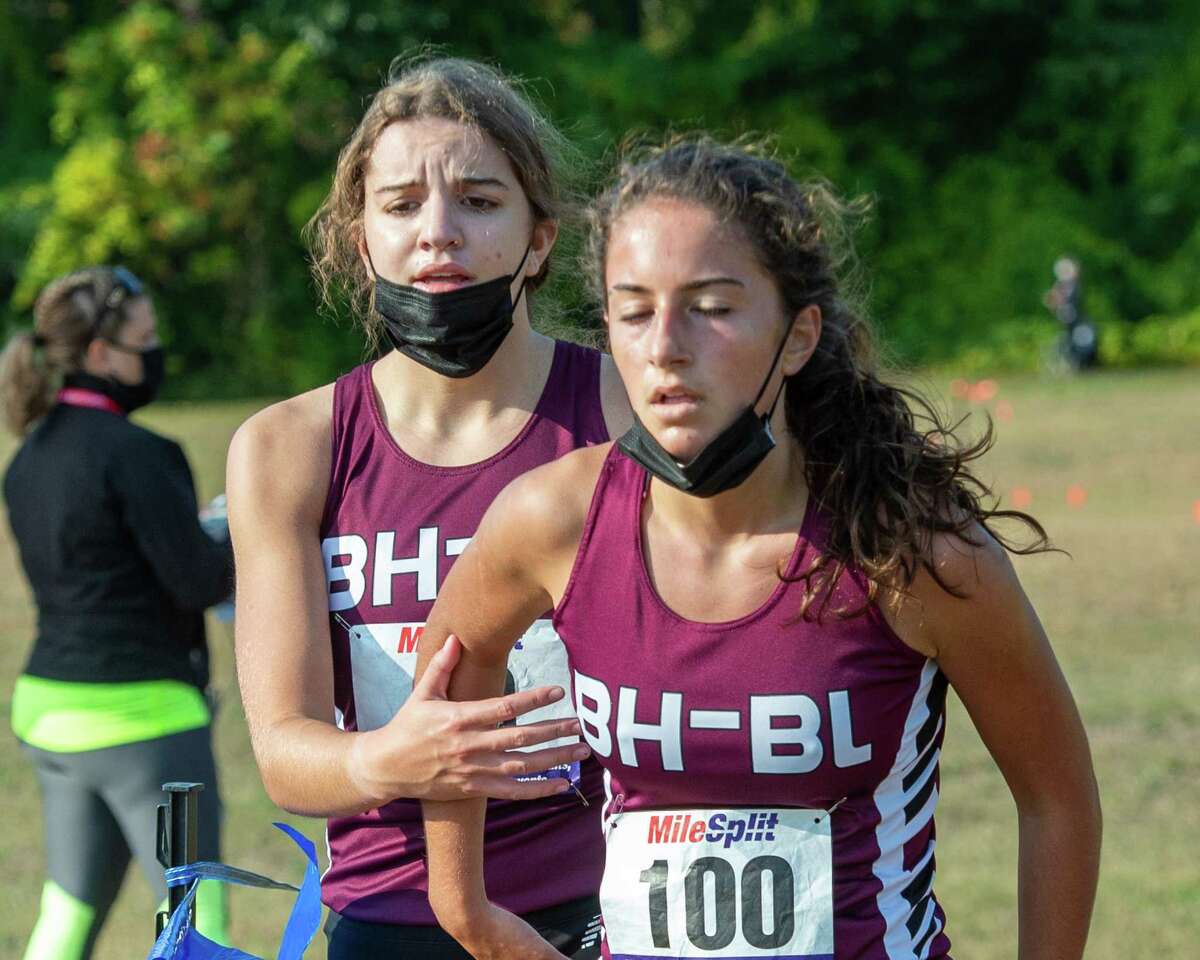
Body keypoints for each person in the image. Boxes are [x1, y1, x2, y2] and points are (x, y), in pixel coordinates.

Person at [415, 139, 1103, 959]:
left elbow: (1057, 799)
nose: (666, 345)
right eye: (634, 310)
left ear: (800, 335)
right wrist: (466, 909)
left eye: (710, 307)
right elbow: (450, 665)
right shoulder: (553, 518)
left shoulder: (908, 553)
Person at [226, 57, 630, 959]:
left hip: (611, 912)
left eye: (481, 202)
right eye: (403, 204)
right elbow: (284, 751)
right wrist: (392, 758)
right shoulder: (288, 448)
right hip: (390, 921)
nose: (438, 234)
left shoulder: (627, 415)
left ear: (539, 238)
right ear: (360, 238)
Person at [1, 266, 233, 960]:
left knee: (70, 901)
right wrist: (237, 536)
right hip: (145, 722)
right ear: (102, 354)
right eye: (146, 339)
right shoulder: (140, 454)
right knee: (197, 909)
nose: (156, 351)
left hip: (49, 711)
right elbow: (196, 582)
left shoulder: (26, 459)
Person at [1043, 256, 1097, 371]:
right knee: (1067, 344)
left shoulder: (1075, 287)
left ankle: (1080, 366)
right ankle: (1066, 365)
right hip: (1067, 323)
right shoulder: (1060, 286)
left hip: (1077, 323)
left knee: (1080, 345)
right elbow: (1051, 302)